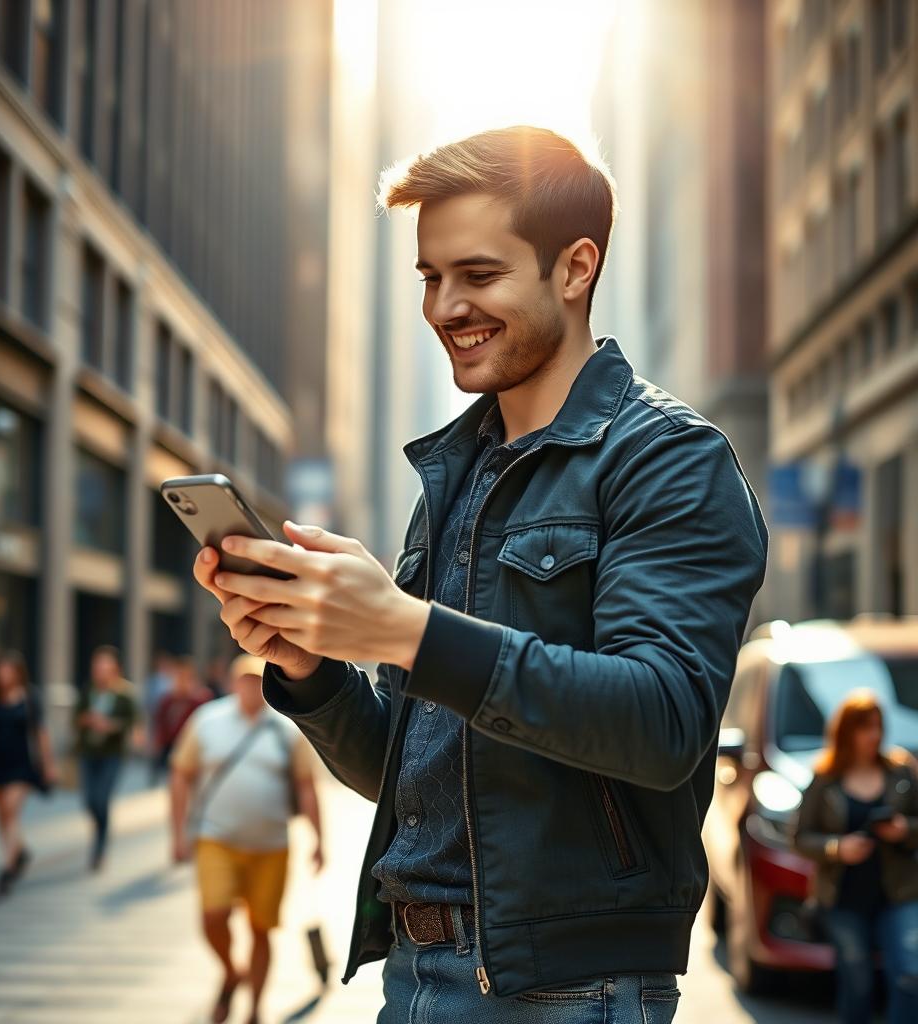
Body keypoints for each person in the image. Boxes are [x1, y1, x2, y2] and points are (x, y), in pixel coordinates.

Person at [193, 126, 768, 1019]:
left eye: (478, 274)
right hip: (413, 976)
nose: (443, 308)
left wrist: (400, 627)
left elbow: (663, 721)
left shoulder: (670, 459)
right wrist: (311, 668)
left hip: (566, 989)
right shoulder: (456, 476)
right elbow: (410, 774)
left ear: (575, 269)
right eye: (430, 278)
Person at [169, 654, 323, 1024]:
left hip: (271, 845)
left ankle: (254, 1006)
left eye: (258, 681)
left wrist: (319, 838)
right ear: (233, 684)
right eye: (245, 681)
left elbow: (306, 787)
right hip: (215, 839)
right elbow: (180, 775)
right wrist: (177, 833)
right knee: (213, 916)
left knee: (261, 929)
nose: (251, 689)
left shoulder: (286, 729)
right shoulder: (208, 721)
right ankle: (230, 970)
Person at [793, 690, 918, 1024]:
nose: (873, 736)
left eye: (877, 726)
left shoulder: (902, 771)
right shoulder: (825, 777)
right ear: (846, 732)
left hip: (899, 893)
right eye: (864, 728)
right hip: (844, 897)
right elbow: (801, 838)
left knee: (909, 974)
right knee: (857, 982)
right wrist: (837, 848)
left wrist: (904, 829)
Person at [0, 651, 57, 895]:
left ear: (17, 672)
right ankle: (20, 851)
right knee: (1, 814)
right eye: (0, 671)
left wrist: (48, 764)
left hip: (22, 765)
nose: (4, 676)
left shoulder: (30, 697)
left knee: (10, 810)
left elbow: (40, 733)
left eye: (8, 671)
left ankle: (7, 866)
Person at [73, 645, 138, 871]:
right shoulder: (88, 691)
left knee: (101, 798)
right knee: (89, 800)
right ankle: (100, 829)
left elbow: (133, 723)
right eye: (97, 667)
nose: (100, 671)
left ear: (115, 670)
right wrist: (88, 720)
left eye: (105, 667)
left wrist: (110, 726)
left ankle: (100, 846)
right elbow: (75, 718)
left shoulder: (125, 694)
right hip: (88, 752)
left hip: (112, 754)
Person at [153, 655, 211, 775]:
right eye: (178, 677)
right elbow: (160, 723)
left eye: (185, 678)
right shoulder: (167, 700)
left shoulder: (200, 700)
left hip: (193, 748)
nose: (180, 681)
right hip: (169, 747)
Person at [143, 650, 174, 783]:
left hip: (167, 720)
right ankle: (154, 772)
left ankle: (165, 770)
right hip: (155, 718)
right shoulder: (153, 681)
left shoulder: (170, 680)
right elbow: (147, 699)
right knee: (154, 747)